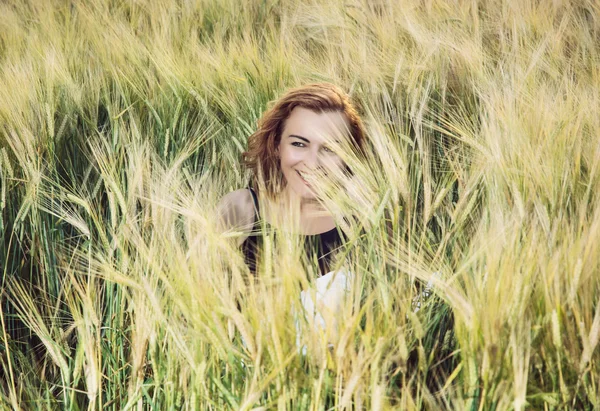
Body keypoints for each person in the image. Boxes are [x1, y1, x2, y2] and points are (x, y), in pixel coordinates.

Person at [217, 83, 367, 277]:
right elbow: (191, 294)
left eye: (331, 149)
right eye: (299, 144)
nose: (313, 164)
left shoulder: (364, 224)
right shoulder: (241, 209)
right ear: (277, 146)